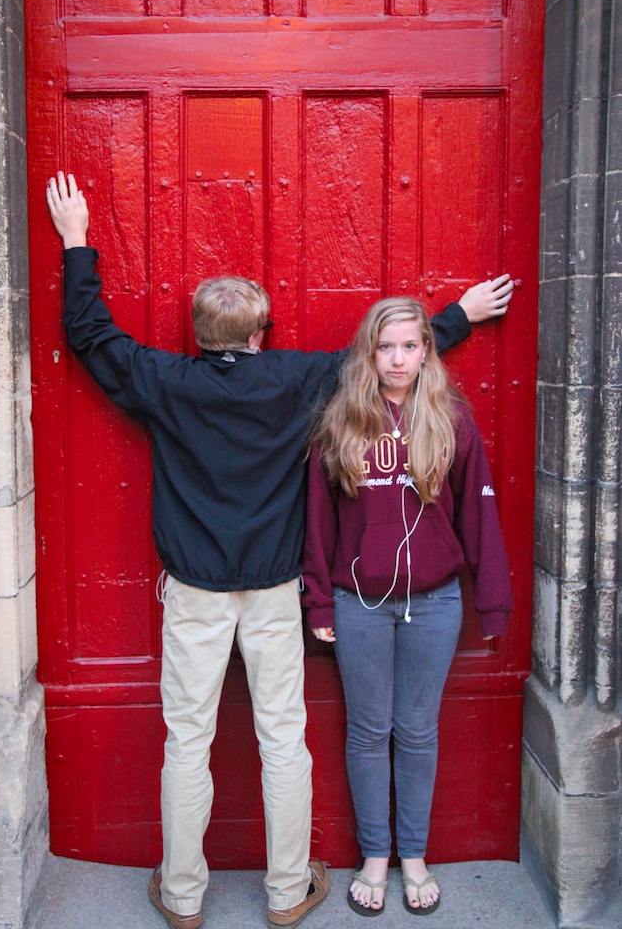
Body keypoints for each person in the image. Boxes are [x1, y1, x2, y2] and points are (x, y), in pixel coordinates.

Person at [45, 172, 512, 929]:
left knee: (186, 742)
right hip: (271, 592)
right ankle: (287, 891)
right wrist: (458, 314)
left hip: (195, 593)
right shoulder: (295, 378)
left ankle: (184, 897)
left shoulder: (166, 380)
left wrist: (76, 241)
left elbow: (91, 335)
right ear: (259, 335)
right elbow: (377, 359)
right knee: (283, 741)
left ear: (200, 335)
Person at [301, 297, 512, 918]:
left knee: (418, 730)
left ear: (426, 352)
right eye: (385, 347)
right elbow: (316, 522)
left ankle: (413, 856)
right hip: (360, 602)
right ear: (368, 353)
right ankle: (375, 855)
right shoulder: (339, 420)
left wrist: (493, 603)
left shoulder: (452, 418)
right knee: (368, 730)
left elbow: (479, 512)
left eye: (410, 347)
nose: (397, 359)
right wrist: (320, 604)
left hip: (435, 603)